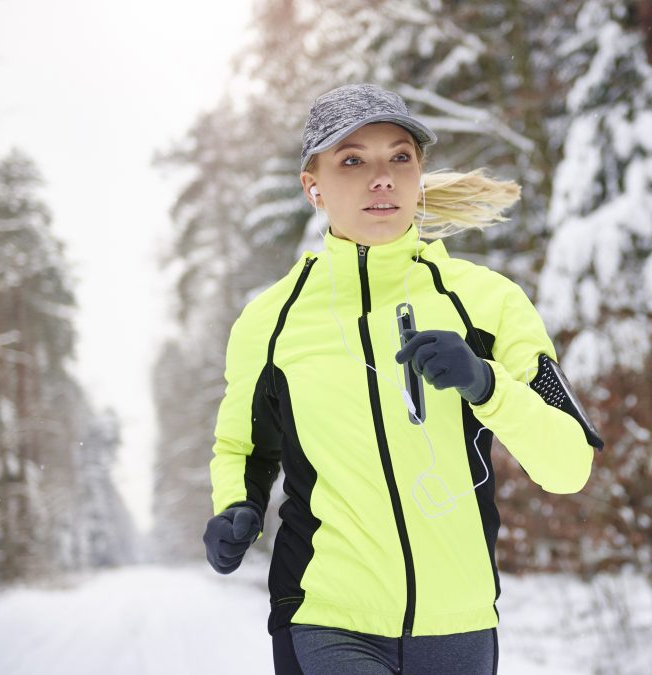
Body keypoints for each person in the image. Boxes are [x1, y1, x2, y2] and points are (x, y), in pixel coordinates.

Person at [202, 83, 605, 675]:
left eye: (399, 157)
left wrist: (486, 386)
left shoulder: (487, 304)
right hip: (323, 611)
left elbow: (570, 466)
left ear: (419, 174)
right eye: (352, 160)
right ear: (312, 185)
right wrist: (235, 506)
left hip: (459, 625)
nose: (381, 177)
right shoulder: (271, 321)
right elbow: (244, 447)